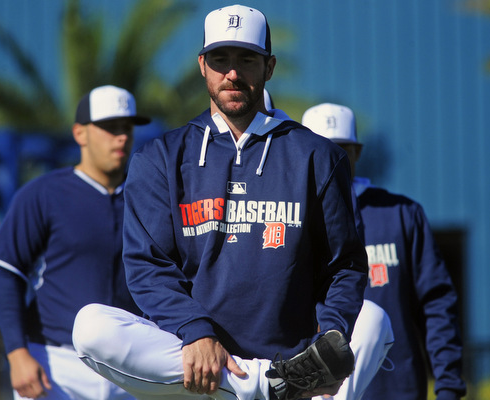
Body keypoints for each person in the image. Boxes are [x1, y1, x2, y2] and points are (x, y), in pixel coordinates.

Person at [72, 5, 368, 400]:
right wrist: (197, 331)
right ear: (202, 65)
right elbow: (147, 266)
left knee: (374, 321)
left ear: (269, 67)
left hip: (289, 358)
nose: (232, 72)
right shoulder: (160, 158)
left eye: (247, 59)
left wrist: (331, 336)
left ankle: (274, 380)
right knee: (90, 326)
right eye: (220, 59)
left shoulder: (317, 156)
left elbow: (345, 265)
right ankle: (263, 385)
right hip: (195, 365)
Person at [0, 85, 149, 400]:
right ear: (80, 133)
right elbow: (7, 275)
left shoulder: (149, 197)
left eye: (127, 127)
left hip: (130, 367)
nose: (122, 137)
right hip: (54, 364)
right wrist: (17, 354)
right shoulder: (43, 194)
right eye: (110, 127)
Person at [301, 103, 466, 400]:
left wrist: (449, 385)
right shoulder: (294, 219)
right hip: (317, 389)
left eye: (340, 150)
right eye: (320, 149)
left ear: (357, 152)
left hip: (396, 387)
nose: (330, 159)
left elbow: (437, 305)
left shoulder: (402, 214)